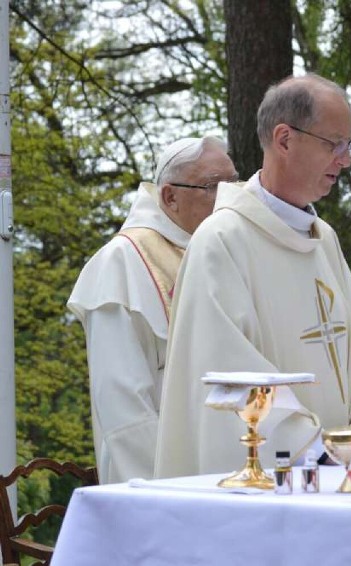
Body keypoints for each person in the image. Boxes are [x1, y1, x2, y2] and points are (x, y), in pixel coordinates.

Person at [154, 74, 351, 478]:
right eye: (334, 143)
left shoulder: (324, 240)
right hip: (273, 481)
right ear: (284, 139)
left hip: (342, 477)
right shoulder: (222, 240)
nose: (346, 159)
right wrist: (316, 451)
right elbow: (231, 376)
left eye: (348, 145)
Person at [68, 136, 238, 483]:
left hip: (229, 467)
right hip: (162, 478)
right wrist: (164, 486)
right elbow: (123, 403)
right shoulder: (123, 262)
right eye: (212, 187)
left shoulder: (225, 256)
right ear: (169, 196)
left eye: (235, 184)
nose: (229, 198)